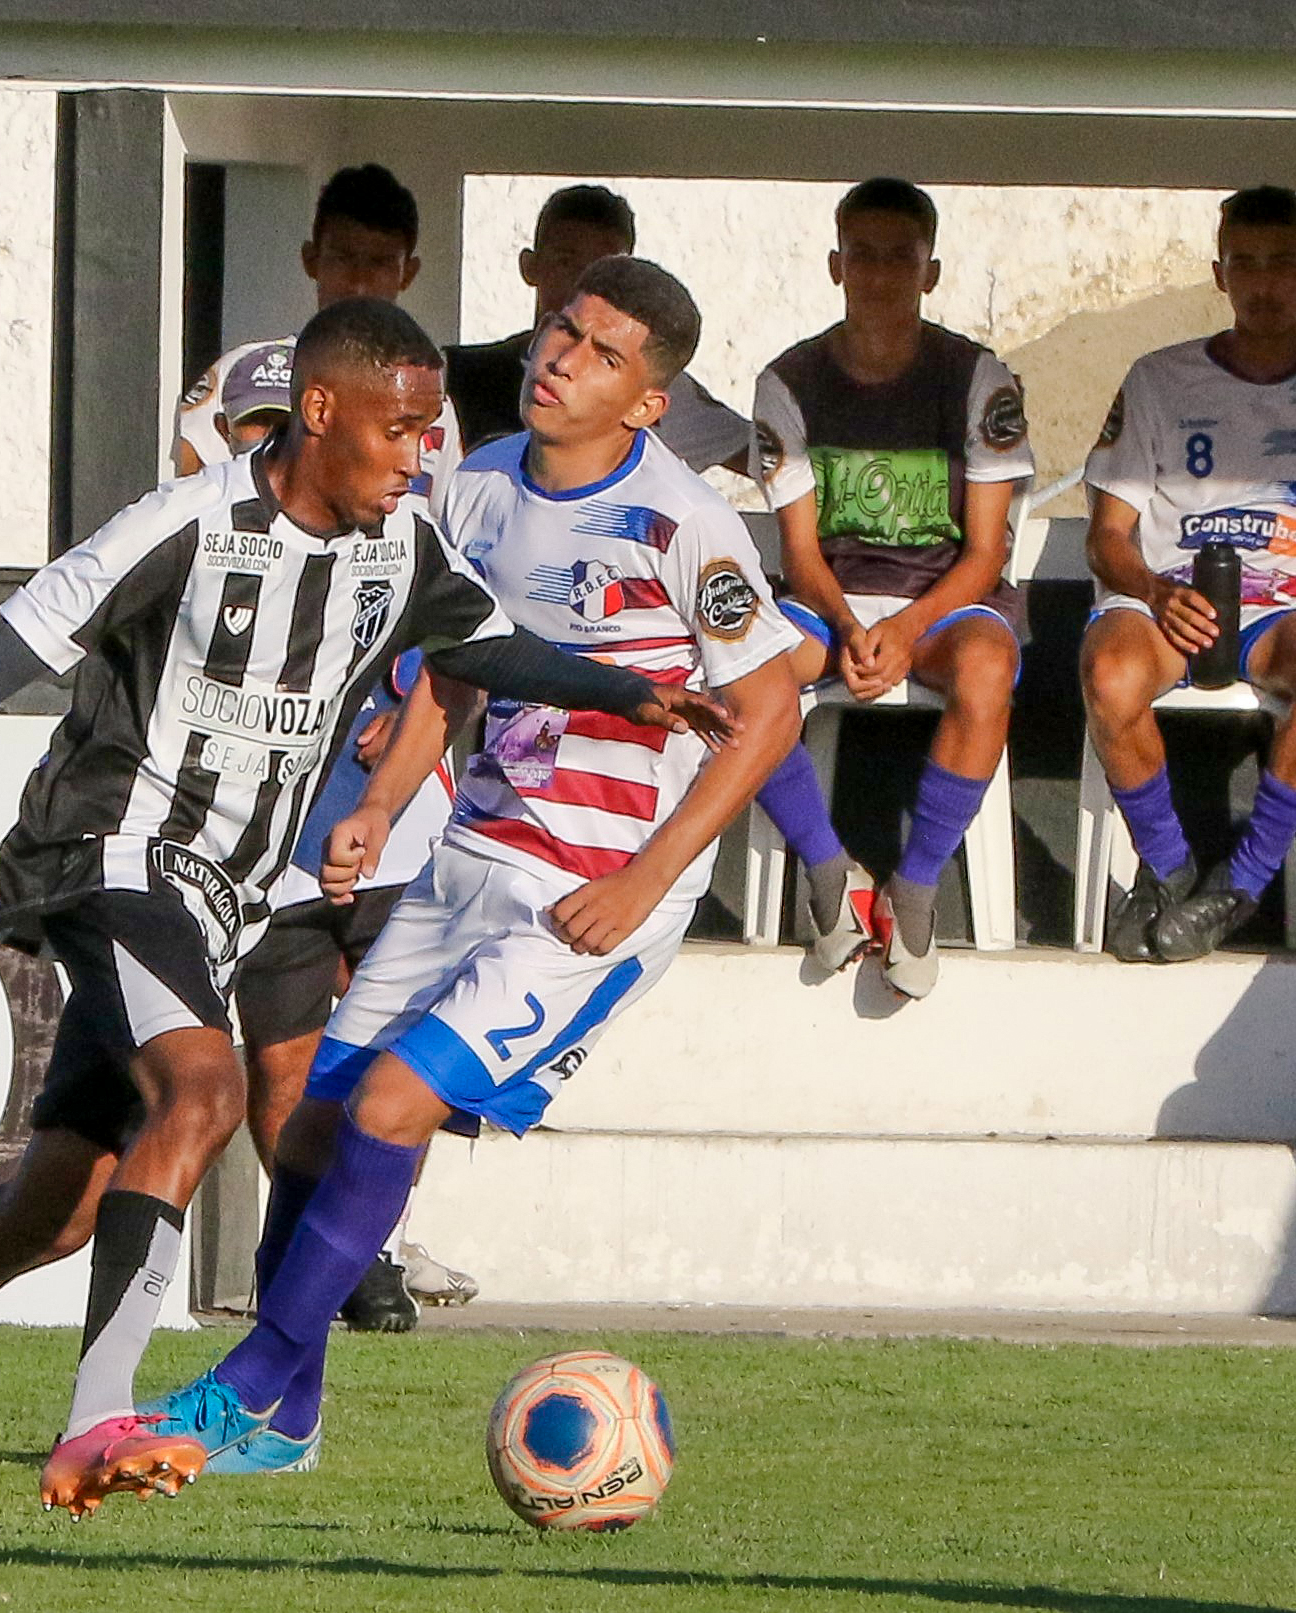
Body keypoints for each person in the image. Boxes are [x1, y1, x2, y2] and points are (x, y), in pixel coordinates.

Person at [0, 298, 731, 1525]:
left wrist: (631, 691)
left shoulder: (402, 547)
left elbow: (493, 648)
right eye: (403, 429)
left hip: (225, 900)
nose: (424, 455)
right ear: (322, 413)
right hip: (111, 853)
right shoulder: (185, 525)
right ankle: (103, 1411)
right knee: (204, 1092)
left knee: (62, 1204)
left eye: (432, 432)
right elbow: (3, 652)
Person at [131, 256, 802, 1489]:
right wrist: (381, 807)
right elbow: (457, 658)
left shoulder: (681, 521)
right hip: (471, 852)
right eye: (561, 329)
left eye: (601, 352)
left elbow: (769, 710)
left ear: (647, 401)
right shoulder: (476, 484)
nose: (558, 358)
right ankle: (286, 1424)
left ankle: (243, 1386)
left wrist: (647, 885)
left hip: (592, 897)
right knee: (320, 1123)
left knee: (394, 1102)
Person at [746, 179, 1034, 998]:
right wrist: (844, 623)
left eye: (897, 258)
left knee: (985, 669)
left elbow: (983, 552)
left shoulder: (976, 376)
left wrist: (906, 630)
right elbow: (799, 552)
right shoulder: (787, 380)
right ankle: (828, 873)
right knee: (742, 666)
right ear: (835, 265)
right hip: (829, 597)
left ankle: (915, 887)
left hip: (943, 602)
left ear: (929, 271)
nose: (878, 274)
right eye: (861, 256)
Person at [1082, 186, 1296, 962]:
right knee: (1109, 675)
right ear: (1218, 275)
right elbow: (1106, 536)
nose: (1264, 282)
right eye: (1245, 264)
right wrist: (1152, 590)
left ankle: (1237, 886)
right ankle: (1169, 867)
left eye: (1282, 263)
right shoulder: (1158, 379)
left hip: (1278, 611)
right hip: (1167, 600)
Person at [230, 646, 478, 1338]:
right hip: (274, 855)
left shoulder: (430, 538)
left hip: (409, 849)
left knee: (405, 1065)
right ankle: (309, 1254)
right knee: (281, 1065)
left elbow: (481, 651)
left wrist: (415, 710)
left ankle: (378, 1253)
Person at [172, 164, 463, 498]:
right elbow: (181, 474)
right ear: (311, 259)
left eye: (380, 264)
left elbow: (446, 520)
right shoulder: (253, 369)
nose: (359, 283)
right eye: (343, 259)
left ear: (407, 273)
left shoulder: (433, 403)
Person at [442, 183, 751, 475]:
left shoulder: (653, 389)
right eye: (567, 262)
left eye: (602, 269)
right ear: (530, 266)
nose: (584, 284)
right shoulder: (455, 376)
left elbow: (769, 457)